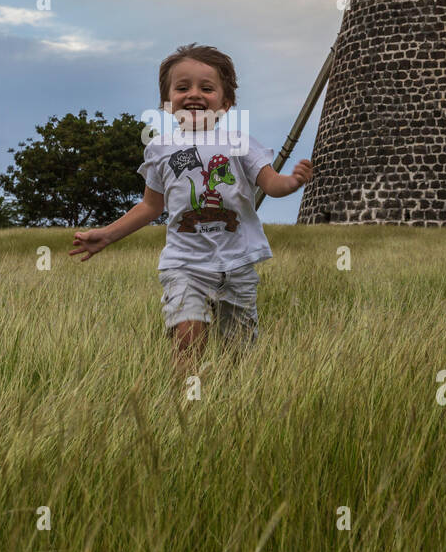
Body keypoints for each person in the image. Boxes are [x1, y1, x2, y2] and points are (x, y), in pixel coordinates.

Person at [69, 43, 313, 372]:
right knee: (186, 335)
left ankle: (228, 402)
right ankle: (187, 402)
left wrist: (292, 182)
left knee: (237, 351)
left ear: (226, 102)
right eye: (182, 87)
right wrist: (107, 235)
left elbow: (270, 183)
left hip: (237, 264)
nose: (194, 94)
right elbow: (150, 206)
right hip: (185, 264)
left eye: (206, 88)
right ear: (167, 102)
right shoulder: (159, 149)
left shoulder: (239, 141)